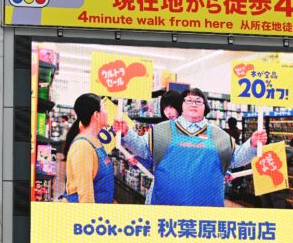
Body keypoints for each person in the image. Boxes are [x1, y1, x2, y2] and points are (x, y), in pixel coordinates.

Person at [115, 87, 266, 207]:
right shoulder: (161, 130)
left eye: (198, 101)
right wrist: (126, 133)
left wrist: (252, 144)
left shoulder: (219, 134)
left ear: (205, 106)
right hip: (165, 209)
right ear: (181, 105)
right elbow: (143, 148)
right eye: (188, 100)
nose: (193, 104)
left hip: (206, 212)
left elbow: (235, 158)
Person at [60, 93, 114, 204]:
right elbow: (86, 196)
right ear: (96, 115)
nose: (107, 112)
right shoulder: (83, 147)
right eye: (104, 108)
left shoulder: (95, 141)